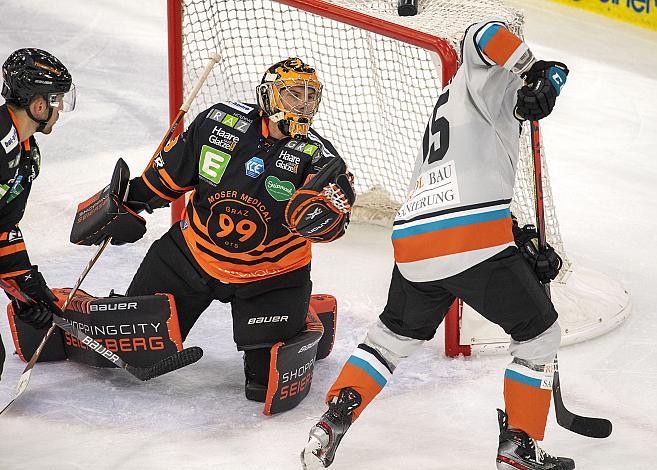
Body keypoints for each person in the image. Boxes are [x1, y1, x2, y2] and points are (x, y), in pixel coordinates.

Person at [301, 20, 572, 469]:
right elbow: (482, 32)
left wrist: (518, 242)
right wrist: (536, 67)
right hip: (469, 237)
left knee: (389, 341)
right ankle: (518, 449)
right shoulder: (482, 70)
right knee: (540, 336)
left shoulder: (465, 103)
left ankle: (331, 420)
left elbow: (470, 174)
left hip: (414, 241)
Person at [108, 58, 354, 408]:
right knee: (134, 349)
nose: (303, 104)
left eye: (310, 95)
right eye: (293, 94)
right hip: (191, 258)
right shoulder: (218, 122)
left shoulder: (320, 159)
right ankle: (296, 314)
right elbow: (171, 176)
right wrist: (130, 201)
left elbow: (335, 222)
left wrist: (330, 218)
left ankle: (307, 316)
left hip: (272, 276)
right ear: (268, 97)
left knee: (263, 385)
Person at [0, 48, 75, 380]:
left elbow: (3, 224)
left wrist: (25, 283)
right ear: (39, 105)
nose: (59, 110)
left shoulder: (27, 152)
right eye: (56, 101)